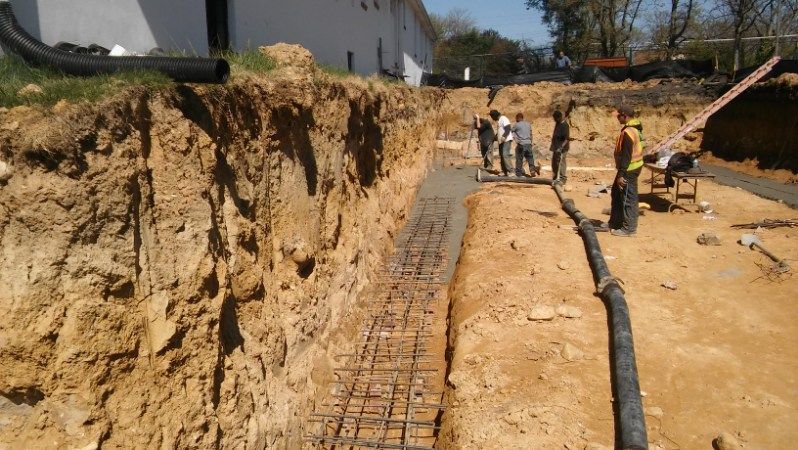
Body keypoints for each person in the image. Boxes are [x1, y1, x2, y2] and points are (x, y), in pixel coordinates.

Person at [608, 105, 644, 237]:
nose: (617, 118)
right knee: (616, 193)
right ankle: (615, 222)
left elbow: (626, 155)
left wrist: (621, 174)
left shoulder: (629, 132)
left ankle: (629, 229)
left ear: (625, 116)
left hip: (629, 169)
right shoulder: (633, 128)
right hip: (629, 167)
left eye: (619, 116)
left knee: (629, 198)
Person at [489, 109, 514, 176]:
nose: (492, 119)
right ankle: (504, 171)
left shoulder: (503, 118)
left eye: (492, 117)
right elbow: (500, 131)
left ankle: (511, 171)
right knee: (502, 156)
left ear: (494, 116)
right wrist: (494, 138)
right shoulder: (499, 121)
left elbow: (508, 128)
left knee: (505, 154)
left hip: (506, 140)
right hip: (501, 141)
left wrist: (504, 136)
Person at [512, 113, 536, 177]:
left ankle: (518, 173)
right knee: (530, 158)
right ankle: (532, 170)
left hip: (521, 144)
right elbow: (531, 134)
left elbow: (511, 131)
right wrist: (530, 142)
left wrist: (516, 139)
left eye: (516, 118)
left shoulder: (517, 125)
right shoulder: (528, 124)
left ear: (518, 118)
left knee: (519, 159)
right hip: (528, 143)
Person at [550, 110, 570, 183]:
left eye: (555, 118)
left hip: (562, 148)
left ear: (559, 117)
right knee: (554, 163)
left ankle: (562, 178)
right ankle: (555, 177)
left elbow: (566, 139)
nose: (554, 120)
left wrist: (561, 147)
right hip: (556, 147)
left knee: (561, 162)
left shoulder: (565, 125)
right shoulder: (557, 123)